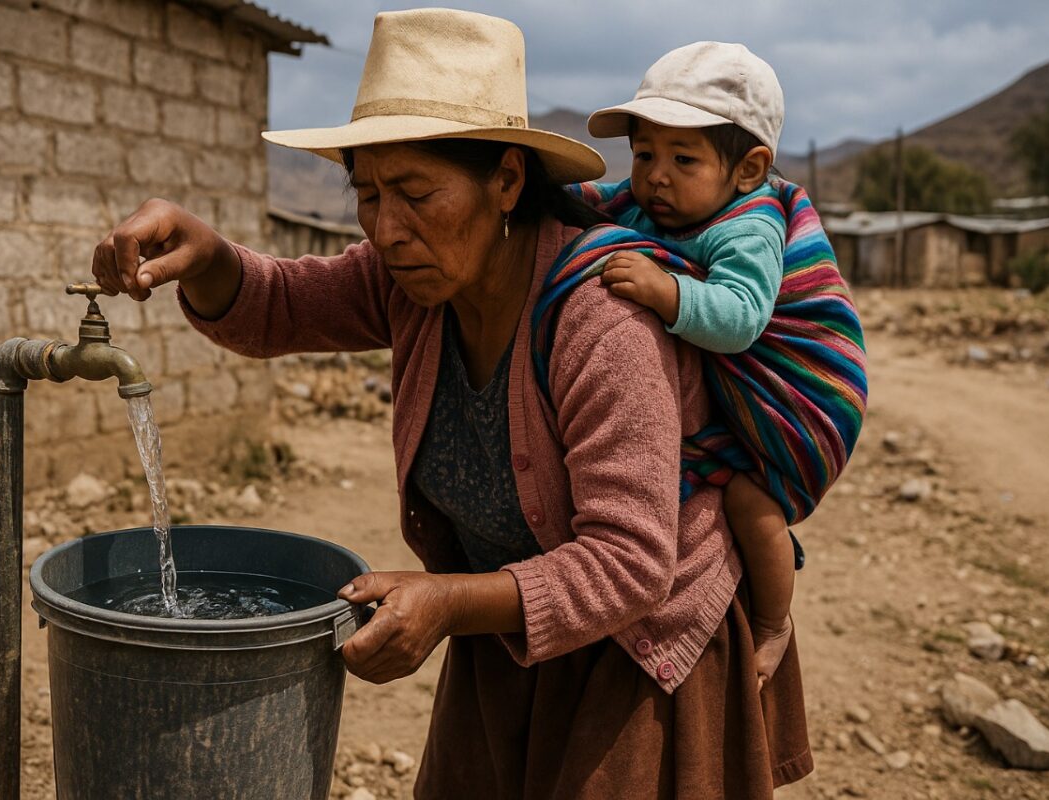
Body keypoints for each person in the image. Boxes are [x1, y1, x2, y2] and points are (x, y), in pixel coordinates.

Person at [92, 10, 812, 798]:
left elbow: (632, 563)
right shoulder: (414, 283)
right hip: (510, 639)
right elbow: (282, 303)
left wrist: (448, 602)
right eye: (367, 195)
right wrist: (206, 253)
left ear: (506, 181)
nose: (387, 229)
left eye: (414, 193)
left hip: (639, 662)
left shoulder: (601, 316)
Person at [565, 43, 867, 688]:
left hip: (807, 396)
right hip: (760, 386)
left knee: (750, 501)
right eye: (645, 154)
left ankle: (772, 622)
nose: (655, 178)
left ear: (749, 169)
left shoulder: (749, 227)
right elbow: (592, 199)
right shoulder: (655, 204)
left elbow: (737, 320)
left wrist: (666, 291)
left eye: (683, 159)